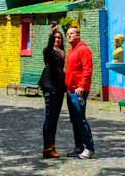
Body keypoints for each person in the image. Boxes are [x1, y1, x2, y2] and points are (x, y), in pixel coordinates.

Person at [64, 27, 95, 159]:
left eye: (72, 33)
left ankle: (89, 148)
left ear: (78, 35)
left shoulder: (83, 49)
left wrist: (81, 86)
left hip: (78, 92)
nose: (69, 35)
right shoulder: (71, 50)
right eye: (68, 34)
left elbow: (87, 70)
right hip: (70, 90)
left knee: (80, 120)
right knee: (75, 120)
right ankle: (78, 147)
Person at [39, 23, 65, 158]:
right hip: (50, 87)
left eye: (59, 38)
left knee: (55, 118)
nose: (57, 40)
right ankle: (46, 147)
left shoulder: (62, 53)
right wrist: (51, 35)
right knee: (49, 117)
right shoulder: (49, 51)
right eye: (55, 38)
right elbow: (48, 49)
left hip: (60, 88)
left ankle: (52, 146)